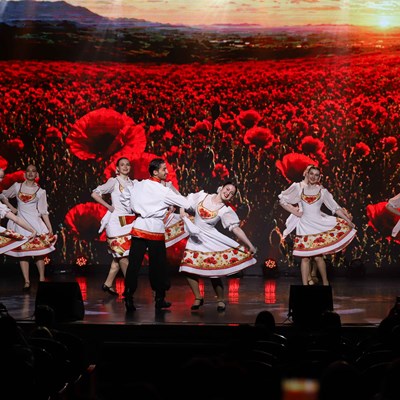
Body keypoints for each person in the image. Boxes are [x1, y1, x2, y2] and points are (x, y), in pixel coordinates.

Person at [120, 157, 190, 312]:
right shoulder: (163, 190)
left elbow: (125, 197)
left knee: (134, 265)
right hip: (155, 228)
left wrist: (136, 208)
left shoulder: (138, 184)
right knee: (158, 265)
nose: (167, 172)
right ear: (155, 172)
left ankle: (129, 296)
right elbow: (185, 203)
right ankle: (159, 298)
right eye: (164, 169)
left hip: (140, 226)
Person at [179, 182, 257, 312]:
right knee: (187, 269)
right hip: (195, 239)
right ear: (220, 188)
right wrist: (182, 212)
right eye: (227, 189)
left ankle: (220, 300)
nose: (228, 193)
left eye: (231, 193)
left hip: (211, 241)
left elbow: (236, 229)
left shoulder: (225, 210)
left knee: (214, 273)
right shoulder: (202, 196)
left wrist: (250, 245)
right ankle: (198, 297)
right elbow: (184, 201)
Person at [278, 165, 356, 286]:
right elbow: (282, 199)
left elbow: (335, 208)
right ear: (307, 174)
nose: (313, 177)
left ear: (319, 178)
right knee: (305, 258)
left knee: (318, 257)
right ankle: (305, 285)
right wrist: (295, 212)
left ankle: (325, 283)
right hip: (304, 225)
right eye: (311, 174)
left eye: (316, 175)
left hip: (318, 225)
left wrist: (348, 221)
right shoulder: (299, 189)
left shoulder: (323, 192)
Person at [0, 164, 57, 290]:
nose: (31, 173)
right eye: (28, 171)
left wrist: (49, 227)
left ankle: (41, 279)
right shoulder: (17, 186)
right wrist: (11, 208)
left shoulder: (41, 192)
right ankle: (26, 281)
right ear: (25, 174)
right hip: (20, 223)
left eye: (33, 171)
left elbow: (43, 211)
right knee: (23, 254)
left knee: (38, 253)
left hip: (35, 222)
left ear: (37, 174)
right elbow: (3, 195)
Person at [91, 157, 136, 296]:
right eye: (122, 165)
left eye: (127, 164)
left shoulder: (133, 183)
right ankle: (130, 286)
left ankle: (108, 284)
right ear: (117, 168)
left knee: (119, 255)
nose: (125, 167)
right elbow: (95, 193)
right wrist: (109, 206)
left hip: (128, 222)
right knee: (122, 256)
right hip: (116, 223)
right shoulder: (114, 181)